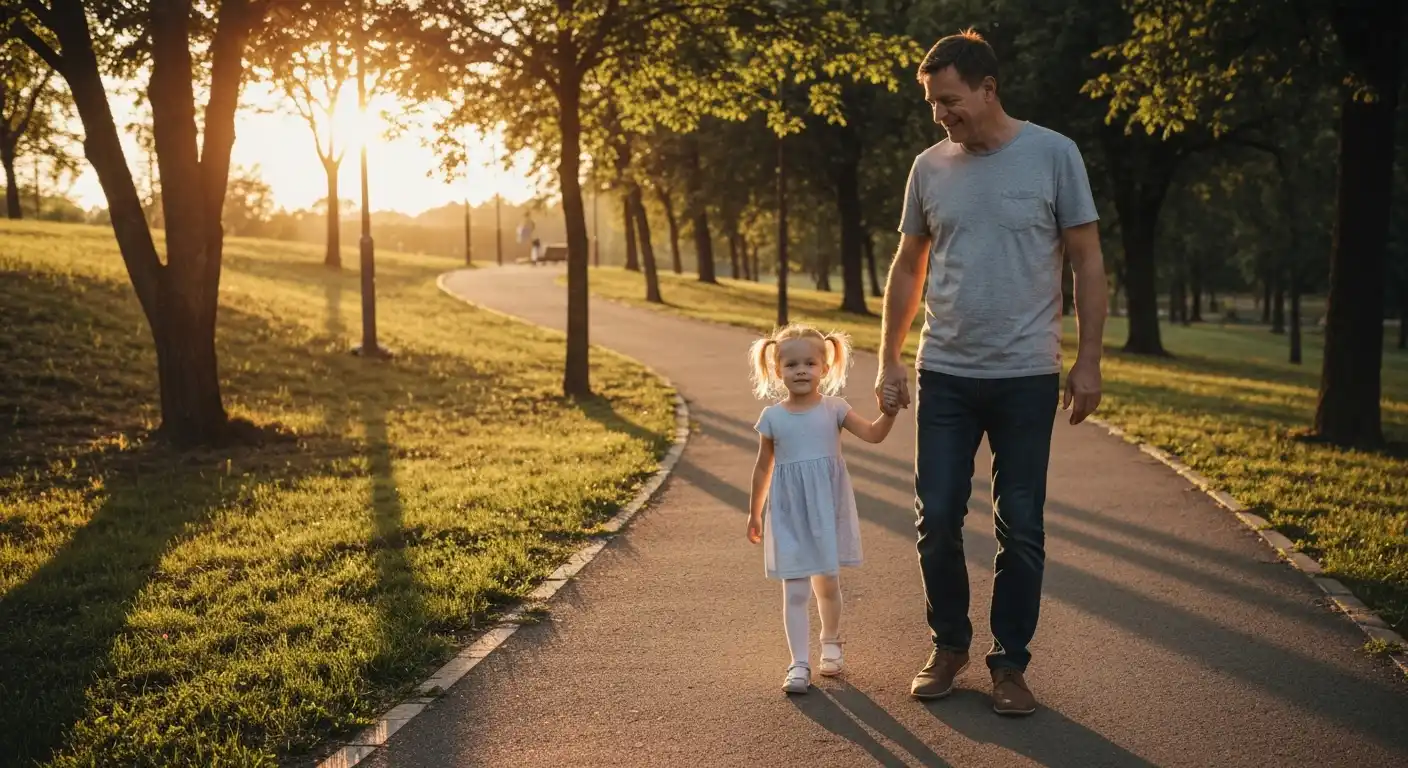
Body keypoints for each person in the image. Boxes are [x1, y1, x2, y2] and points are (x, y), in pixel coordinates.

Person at [874, 29, 1107, 716]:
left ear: (987, 89)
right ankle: (949, 644)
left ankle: (1010, 663)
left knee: (1022, 522)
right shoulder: (929, 168)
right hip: (945, 368)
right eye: (933, 104)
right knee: (938, 515)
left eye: (950, 101)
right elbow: (909, 266)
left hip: (1026, 374)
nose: (942, 115)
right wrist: (889, 355)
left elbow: (1087, 260)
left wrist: (1088, 359)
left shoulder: (1054, 155)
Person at [746, 323, 900, 694]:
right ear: (776, 370)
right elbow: (763, 467)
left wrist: (889, 412)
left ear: (825, 368)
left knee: (827, 585)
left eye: (810, 363)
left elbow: (874, 434)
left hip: (825, 511)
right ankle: (799, 663)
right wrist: (754, 512)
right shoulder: (773, 418)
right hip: (788, 514)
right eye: (792, 365)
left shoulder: (835, 409)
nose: (801, 371)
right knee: (794, 590)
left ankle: (831, 642)